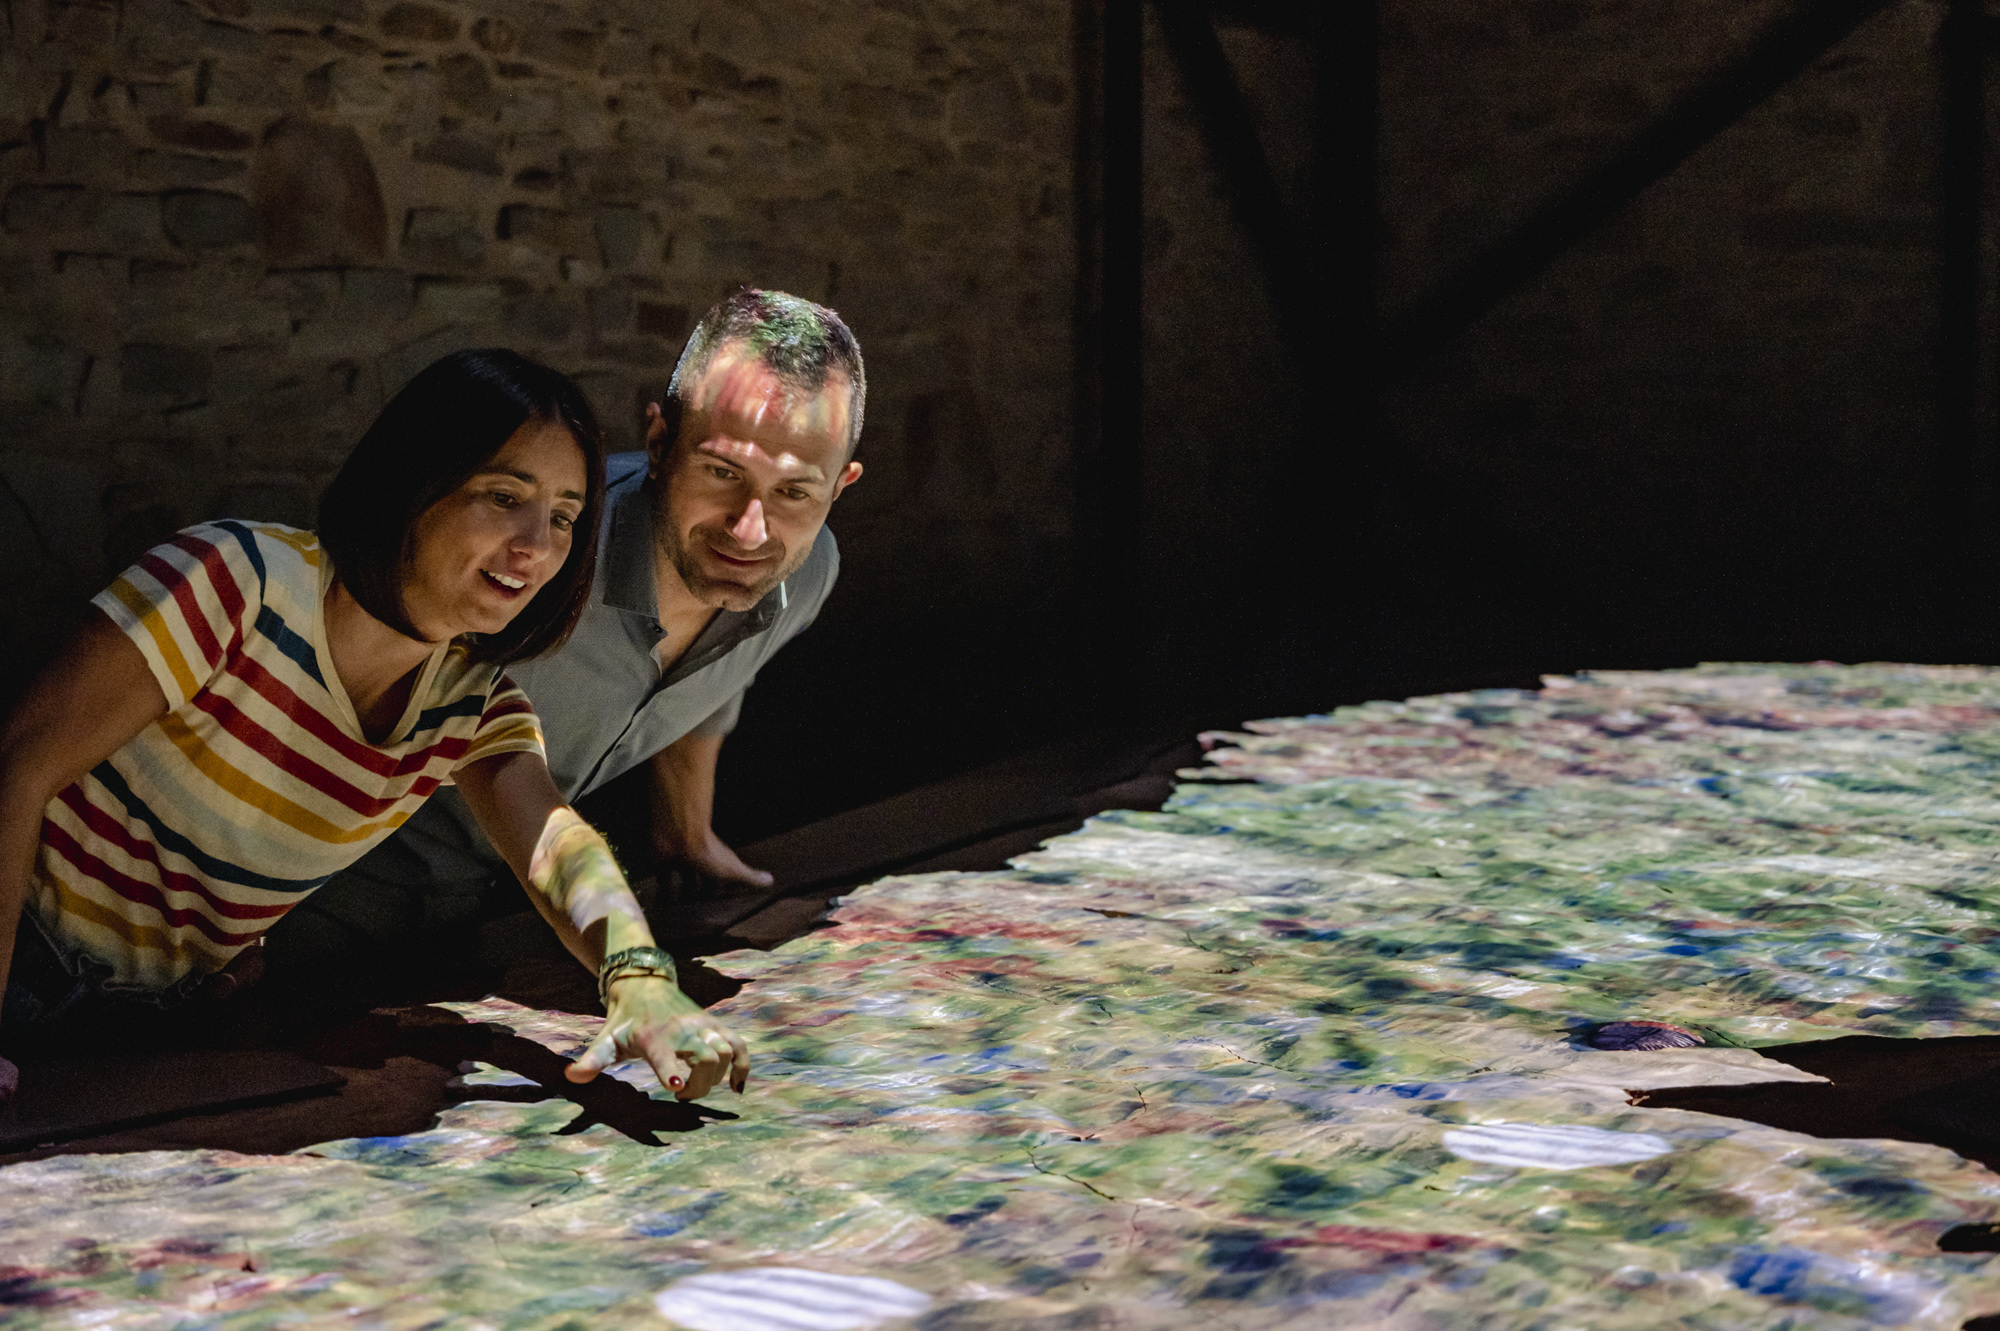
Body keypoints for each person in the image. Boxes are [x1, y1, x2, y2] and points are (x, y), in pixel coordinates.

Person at [0, 349, 746, 1102]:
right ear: (413, 479)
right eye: (502, 496)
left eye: (563, 517)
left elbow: (557, 845)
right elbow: (17, 768)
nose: (536, 546)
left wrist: (639, 978)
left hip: (138, 1024)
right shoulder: (240, 582)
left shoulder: (468, 703)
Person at [270, 290, 865, 971]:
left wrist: (687, 829)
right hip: (309, 890)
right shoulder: (534, 554)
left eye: (794, 491)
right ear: (660, 442)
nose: (749, 528)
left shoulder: (804, 575)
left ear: (840, 486)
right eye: (723, 472)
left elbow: (713, 681)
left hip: (487, 907)